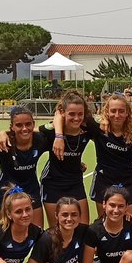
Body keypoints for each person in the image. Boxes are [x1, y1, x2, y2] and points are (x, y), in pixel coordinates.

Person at [39, 92, 95, 226]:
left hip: (75, 182)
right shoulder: (51, 131)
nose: (76, 118)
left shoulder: (87, 131)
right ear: (63, 113)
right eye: (71, 114)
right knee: (56, 230)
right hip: (53, 183)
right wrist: (2, 133)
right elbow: (26, 133)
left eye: (80, 114)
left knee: (83, 227)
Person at [0, 106, 47, 227]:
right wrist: (2, 133)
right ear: (12, 126)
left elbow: (55, 123)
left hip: (31, 189)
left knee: (37, 233)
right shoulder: (4, 143)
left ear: (34, 124)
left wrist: (76, 163)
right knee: (8, 234)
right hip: (6, 191)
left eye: (28, 124)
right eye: (19, 125)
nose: (24, 128)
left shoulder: (40, 139)